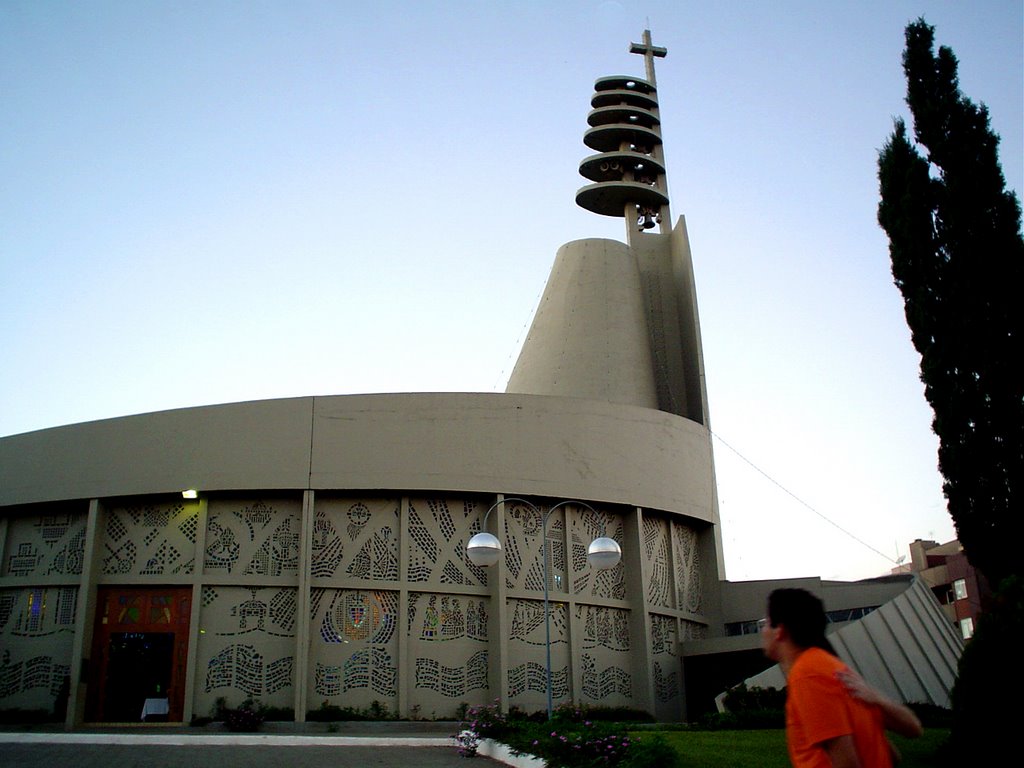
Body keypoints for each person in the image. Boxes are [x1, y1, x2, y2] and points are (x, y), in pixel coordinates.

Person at [761, 588, 923, 767]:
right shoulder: (835, 669)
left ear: (780, 630)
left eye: (766, 623)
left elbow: (847, 763)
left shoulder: (808, 675)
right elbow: (895, 752)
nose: (763, 630)